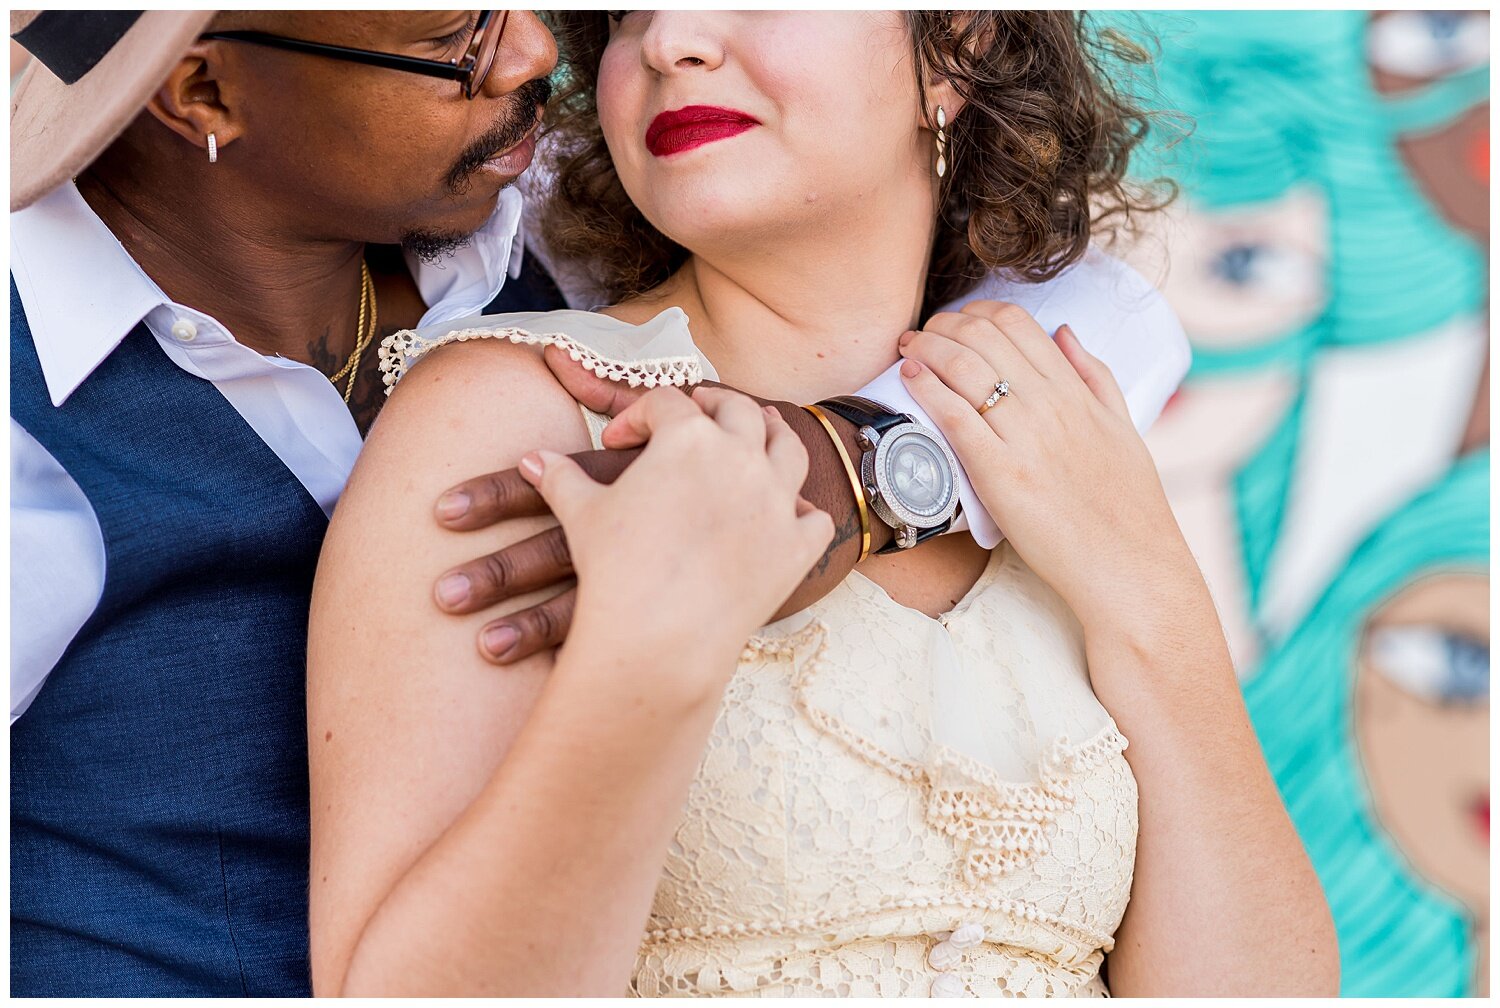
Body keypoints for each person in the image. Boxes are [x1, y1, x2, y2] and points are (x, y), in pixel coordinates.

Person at [8, 10, 1184, 997]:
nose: (535, 56)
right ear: (207, 93)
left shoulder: (514, 197)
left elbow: (1103, 306)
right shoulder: (27, 450)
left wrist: (862, 462)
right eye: (458, 27)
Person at [307, 10, 1339, 998]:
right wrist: (650, 654)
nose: (669, 41)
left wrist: (1151, 597)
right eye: (625, 12)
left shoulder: (1056, 441)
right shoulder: (516, 419)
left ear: (957, 47)